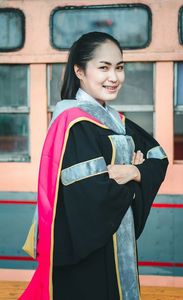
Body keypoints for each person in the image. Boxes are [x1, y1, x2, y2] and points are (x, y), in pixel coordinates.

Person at [19, 32, 168, 300]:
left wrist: (133, 172)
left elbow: (158, 158)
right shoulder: (74, 123)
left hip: (117, 246)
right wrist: (134, 184)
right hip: (88, 255)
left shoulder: (116, 121)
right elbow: (91, 197)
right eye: (104, 67)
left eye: (119, 68)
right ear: (79, 70)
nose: (114, 77)